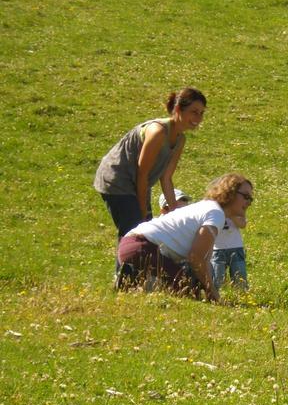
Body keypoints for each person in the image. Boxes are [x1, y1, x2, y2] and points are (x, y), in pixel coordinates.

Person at [94, 87, 207, 270]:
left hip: (138, 184)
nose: (198, 118)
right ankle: (123, 280)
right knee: (134, 229)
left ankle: (135, 279)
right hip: (117, 179)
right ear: (178, 110)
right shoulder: (157, 132)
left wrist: (174, 212)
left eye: (201, 113)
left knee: (145, 230)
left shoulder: (180, 140)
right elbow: (142, 173)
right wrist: (142, 208)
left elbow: (166, 178)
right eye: (193, 112)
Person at [116, 173, 253, 302]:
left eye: (251, 198)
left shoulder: (209, 208)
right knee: (188, 288)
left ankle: (134, 277)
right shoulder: (215, 213)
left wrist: (209, 287)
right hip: (142, 248)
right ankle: (133, 282)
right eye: (246, 196)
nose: (249, 202)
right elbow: (196, 258)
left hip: (132, 246)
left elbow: (204, 259)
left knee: (195, 282)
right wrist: (213, 295)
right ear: (230, 193)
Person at [211, 206, 249, 291]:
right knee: (218, 281)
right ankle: (219, 300)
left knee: (240, 281)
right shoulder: (213, 208)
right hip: (217, 249)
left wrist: (230, 213)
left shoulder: (236, 206)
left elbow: (242, 224)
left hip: (236, 247)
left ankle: (240, 300)